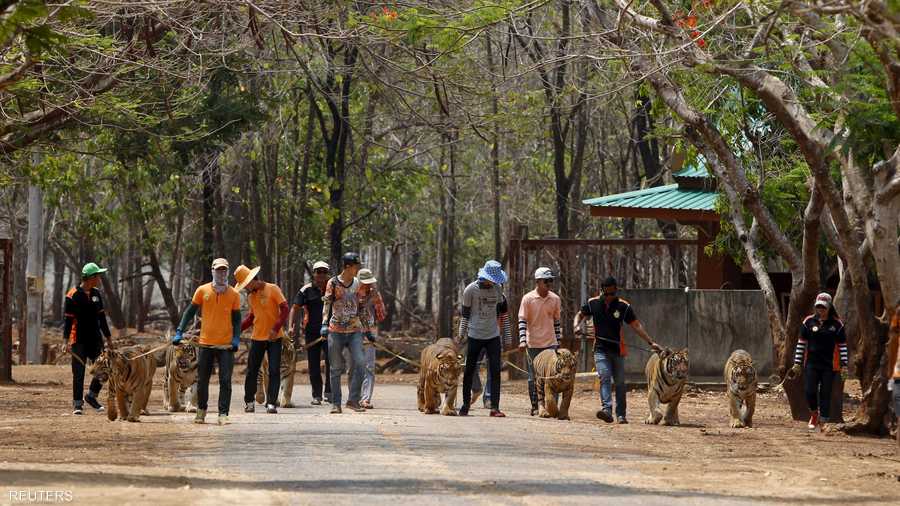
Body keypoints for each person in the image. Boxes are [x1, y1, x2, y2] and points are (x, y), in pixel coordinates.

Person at [574, 276, 661, 424]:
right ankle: (607, 410)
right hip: (600, 349)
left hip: (617, 350)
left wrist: (650, 342)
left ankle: (621, 414)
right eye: (606, 294)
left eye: (612, 294)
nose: (609, 297)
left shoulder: (623, 306)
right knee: (604, 376)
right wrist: (576, 326)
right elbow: (579, 314)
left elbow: (636, 325)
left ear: (616, 291)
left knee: (620, 383)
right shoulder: (593, 303)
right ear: (602, 291)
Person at [172, 258, 241, 425]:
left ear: (227, 272)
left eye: (224, 270)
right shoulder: (202, 291)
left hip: (225, 346)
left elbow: (237, 320)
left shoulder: (234, 294)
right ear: (212, 271)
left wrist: (236, 338)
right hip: (205, 343)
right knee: (202, 379)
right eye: (218, 270)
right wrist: (180, 331)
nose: (221, 273)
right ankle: (201, 411)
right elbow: (190, 312)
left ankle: (223, 414)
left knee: (225, 380)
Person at [457, 260, 513, 417]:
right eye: (492, 279)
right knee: (469, 370)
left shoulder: (498, 289)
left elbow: (504, 314)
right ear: (484, 276)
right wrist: (461, 334)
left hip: (493, 337)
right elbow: (465, 315)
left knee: (495, 371)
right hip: (474, 336)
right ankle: (466, 405)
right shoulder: (470, 290)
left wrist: (507, 338)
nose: (494, 282)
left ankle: (494, 407)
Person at [789, 292, 848, 431]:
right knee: (810, 391)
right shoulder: (808, 322)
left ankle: (824, 421)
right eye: (818, 307)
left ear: (829, 307)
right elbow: (801, 343)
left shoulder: (837, 324)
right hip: (811, 364)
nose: (821, 309)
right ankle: (814, 414)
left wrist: (844, 365)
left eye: (823, 307)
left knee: (825, 393)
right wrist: (797, 363)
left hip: (830, 365)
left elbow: (842, 346)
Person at [235, 265, 290, 414]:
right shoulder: (251, 296)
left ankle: (271, 403)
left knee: (273, 370)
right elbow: (252, 317)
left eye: (246, 285)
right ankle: (249, 402)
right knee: (252, 371)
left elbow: (285, 308)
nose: (246, 288)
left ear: (253, 280)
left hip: (274, 338)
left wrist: (276, 328)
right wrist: (236, 329)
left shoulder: (273, 289)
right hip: (257, 338)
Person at [65, 262, 114, 415]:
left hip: (95, 339)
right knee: (78, 373)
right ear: (90, 278)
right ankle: (78, 404)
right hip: (78, 340)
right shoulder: (72, 295)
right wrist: (65, 341)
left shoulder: (96, 294)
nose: (99, 278)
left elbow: (102, 318)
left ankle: (91, 396)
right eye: (97, 276)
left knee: (104, 370)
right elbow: (68, 321)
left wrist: (108, 338)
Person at [321, 252, 366, 414]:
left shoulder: (357, 283)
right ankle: (336, 403)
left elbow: (361, 307)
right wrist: (324, 324)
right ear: (347, 267)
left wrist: (367, 330)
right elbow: (327, 305)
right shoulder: (332, 283)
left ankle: (353, 400)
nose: (357, 269)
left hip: (354, 330)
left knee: (361, 364)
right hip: (335, 331)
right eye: (356, 266)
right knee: (335, 368)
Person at [518, 267, 562, 416]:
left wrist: (558, 341)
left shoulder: (555, 299)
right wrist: (523, 340)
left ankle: (552, 406)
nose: (549, 283)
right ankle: (536, 406)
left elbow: (556, 321)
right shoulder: (528, 299)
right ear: (538, 281)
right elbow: (522, 320)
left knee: (553, 375)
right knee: (533, 377)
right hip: (533, 344)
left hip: (550, 343)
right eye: (546, 280)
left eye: (551, 280)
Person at [289, 261, 332, 405]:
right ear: (313, 274)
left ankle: (329, 392)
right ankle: (317, 395)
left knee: (331, 362)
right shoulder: (306, 290)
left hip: (331, 331)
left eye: (324, 272)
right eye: (318, 272)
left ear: (327, 274)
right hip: (312, 333)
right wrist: (291, 326)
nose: (321, 275)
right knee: (313, 364)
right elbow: (295, 308)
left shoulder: (332, 288)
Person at [357, 268, 386, 409]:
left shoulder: (375, 294)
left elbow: (381, 315)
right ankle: (354, 397)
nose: (368, 286)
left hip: (370, 336)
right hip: (353, 333)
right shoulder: (352, 293)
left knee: (369, 367)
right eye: (365, 283)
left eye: (370, 283)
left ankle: (365, 399)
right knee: (354, 367)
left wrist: (377, 301)